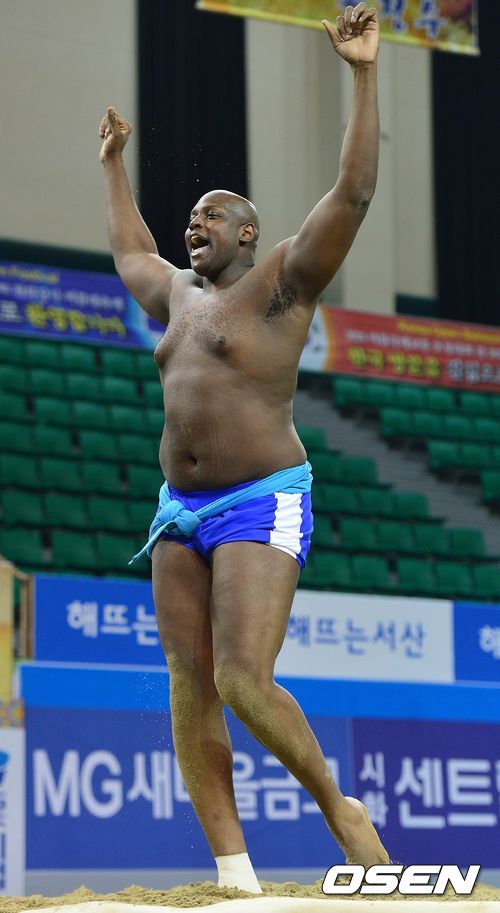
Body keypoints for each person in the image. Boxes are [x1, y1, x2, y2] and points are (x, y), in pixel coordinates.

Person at [99, 2, 389, 893]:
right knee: (189, 682)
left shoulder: (282, 283)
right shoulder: (177, 298)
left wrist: (364, 74)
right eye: (191, 217)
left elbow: (354, 195)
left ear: (249, 232)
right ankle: (235, 874)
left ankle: (342, 811)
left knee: (242, 678)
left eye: (212, 216)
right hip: (177, 510)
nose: (196, 224)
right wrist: (112, 166)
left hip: (263, 496)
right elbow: (130, 252)